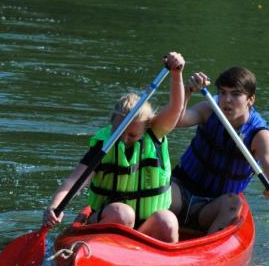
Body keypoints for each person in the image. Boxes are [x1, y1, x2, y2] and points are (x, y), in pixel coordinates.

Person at [43, 51, 185, 243]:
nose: (124, 138)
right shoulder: (103, 146)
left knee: (167, 219)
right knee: (122, 213)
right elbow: (73, 182)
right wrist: (54, 206)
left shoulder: (155, 134)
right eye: (120, 132)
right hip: (109, 221)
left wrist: (176, 75)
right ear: (112, 124)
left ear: (146, 129)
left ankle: (159, 263)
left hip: (146, 231)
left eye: (133, 135)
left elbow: (175, 108)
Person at [170, 66, 269, 233]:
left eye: (236, 94)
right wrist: (187, 91)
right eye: (223, 92)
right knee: (158, 181)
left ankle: (210, 249)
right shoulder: (209, 109)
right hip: (180, 190)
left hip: (212, 206)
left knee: (234, 203)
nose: (227, 99)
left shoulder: (259, 135)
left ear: (250, 99)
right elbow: (175, 121)